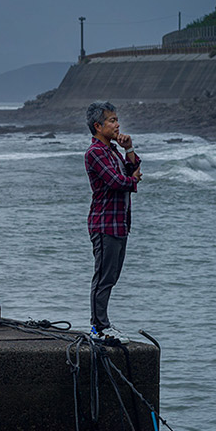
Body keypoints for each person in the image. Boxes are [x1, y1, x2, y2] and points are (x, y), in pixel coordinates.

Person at [83, 101, 141, 344]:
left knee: (112, 276)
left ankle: (103, 323)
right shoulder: (95, 152)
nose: (117, 125)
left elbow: (132, 170)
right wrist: (133, 179)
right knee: (103, 277)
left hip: (119, 223)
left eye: (117, 120)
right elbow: (119, 182)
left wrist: (128, 149)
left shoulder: (112, 151)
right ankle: (99, 327)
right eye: (112, 120)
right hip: (104, 224)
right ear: (98, 126)